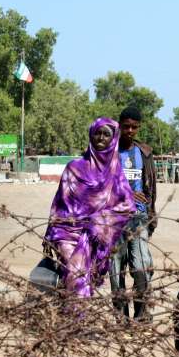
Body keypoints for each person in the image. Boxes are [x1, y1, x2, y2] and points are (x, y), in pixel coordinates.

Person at [44, 117, 135, 298]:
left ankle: (69, 322)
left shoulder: (116, 175)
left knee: (83, 284)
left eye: (106, 134)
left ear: (114, 139)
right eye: (97, 133)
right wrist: (51, 234)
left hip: (95, 238)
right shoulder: (74, 168)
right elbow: (59, 204)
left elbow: (128, 206)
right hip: (67, 234)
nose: (100, 138)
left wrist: (99, 221)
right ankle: (80, 323)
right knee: (76, 278)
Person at [109, 106, 157, 320]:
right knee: (115, 270)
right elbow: (100, 186)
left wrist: (151, 214)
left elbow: (151, 187)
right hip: (113, 219)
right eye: (126, 126)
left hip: (139, 218)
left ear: (138, 128)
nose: (130, 130)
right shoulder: (108, 152)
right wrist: (126, 194)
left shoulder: (144, 153)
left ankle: (141, 314)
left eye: (134, 127)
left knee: (140, 267)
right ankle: (121, 317)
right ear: (119, 125)